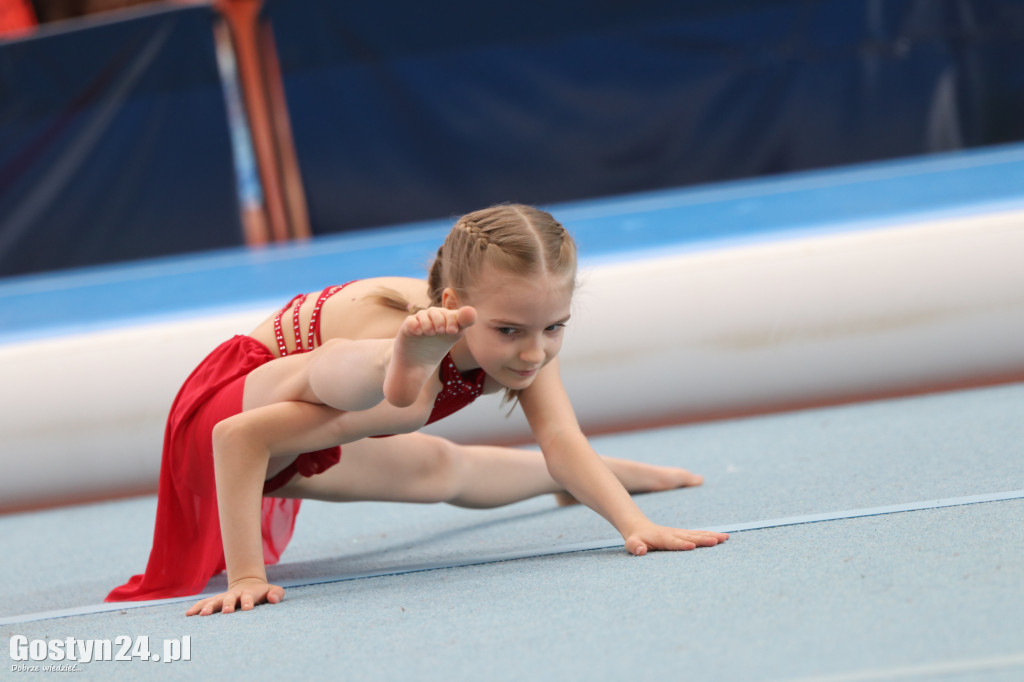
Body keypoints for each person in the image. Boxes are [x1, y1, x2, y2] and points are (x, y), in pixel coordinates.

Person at [106, 204, 728, 615]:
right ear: (456, 304)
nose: (535, 351)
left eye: (555, 326)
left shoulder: (524, 332)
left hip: (291, 444)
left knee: (441, 470)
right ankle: (391, 366)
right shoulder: (409, 329)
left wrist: (630, 521)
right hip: (223, 419)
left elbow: (561, 440)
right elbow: (236, 436)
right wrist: (246, 575)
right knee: (396, 403)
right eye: (512, 331)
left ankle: (615, 472)